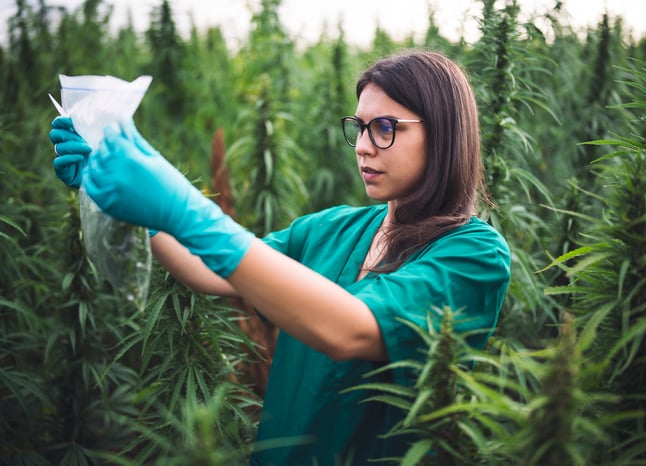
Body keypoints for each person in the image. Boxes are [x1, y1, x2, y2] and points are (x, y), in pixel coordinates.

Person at [49, 49, 511, 465]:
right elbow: (215, 267)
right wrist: (128, 201)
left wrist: (182, 208)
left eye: (386, 128)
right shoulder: (333, 228)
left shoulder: (473, 254)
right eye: (359, 127)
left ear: (445, 134)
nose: (365, 146)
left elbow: (351, 330)